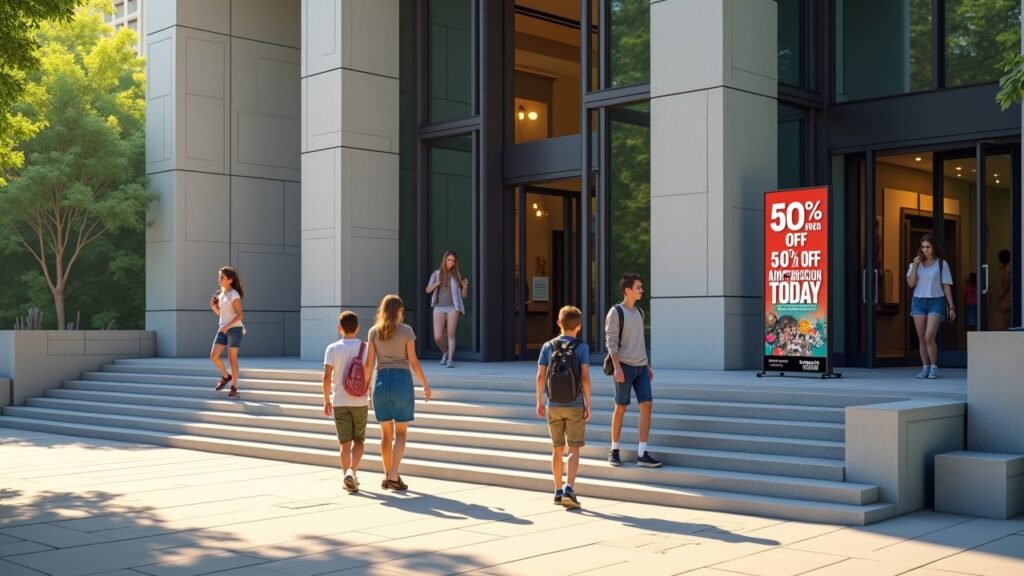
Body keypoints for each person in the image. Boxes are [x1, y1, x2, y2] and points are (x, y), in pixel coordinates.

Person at [364, 294, 431, 490]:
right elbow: (414, 361)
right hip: (401, 381)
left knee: (386, 434)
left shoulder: (373, 332)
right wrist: (425, 384)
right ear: (399, 311)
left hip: (381, 382)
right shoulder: (406, 331)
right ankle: (393, 474)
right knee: (401, 433)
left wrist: (366, 389)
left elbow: (369, 363)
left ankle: (388, 475)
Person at [535, 305, 591, 509]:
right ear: (579, 326)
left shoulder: (547, 346)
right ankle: (569, 489)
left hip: (553, 404)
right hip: (574, 404)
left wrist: (539, 401)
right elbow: (585, 378)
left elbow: (541, 376)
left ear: (558, 323)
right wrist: (588, 404)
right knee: (574, 448)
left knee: (557, 448)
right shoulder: (582, 348)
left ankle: (557, 490)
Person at [605, 272, 661, 468]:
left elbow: (640, 341)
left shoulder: (640, 312)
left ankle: (642, 452)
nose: (642, 290)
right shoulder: (616, 312)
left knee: (647, 405)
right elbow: (611, 343)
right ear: (627, 290)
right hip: (624, 367)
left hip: (641, 367)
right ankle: (614, 450)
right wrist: (618, 367)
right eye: (638, 287)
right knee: (621, 407)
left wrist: (646, 365)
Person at [322, 311, 368, 493]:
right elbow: (370, 373)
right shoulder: (365, 348)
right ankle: (352, 472)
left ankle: (346, 477)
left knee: (344, 444)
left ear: (339, 328)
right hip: (360, 401)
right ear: (357, 328)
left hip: (339, 400)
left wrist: (326, 400)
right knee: (359, 440)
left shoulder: (332, 348)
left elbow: (327, 377)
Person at [906, 235, 955, 379]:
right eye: (923, 247)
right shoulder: (914, 265)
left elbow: (946, 286)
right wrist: (915, 265)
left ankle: (934, 367)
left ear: (933, 248)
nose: (925, 250)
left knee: (929, 337)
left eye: (928, 247)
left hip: (936, 301)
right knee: (921, 337)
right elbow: (911, 283)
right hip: (918, 302)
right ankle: (925, 368)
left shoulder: (941, 264)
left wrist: (951, 307)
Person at [425, 250, 469, 368]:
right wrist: (436, 284)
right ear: (444, 260)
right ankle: (445, 352)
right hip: (439, 307)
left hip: (453, 308)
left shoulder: (457, 275)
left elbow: (463, 296)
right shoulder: (436, 274)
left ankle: (450, 359)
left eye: (453, 261)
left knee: (450, 333)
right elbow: (427, 290)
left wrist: (465, 287)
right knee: (438, 337)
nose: (451, 263)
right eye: (449, 260)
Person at [209, 266, 245, 398]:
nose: (219, 279)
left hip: (235, 329)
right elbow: (221, 314)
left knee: (232, 359)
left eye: (221, 277)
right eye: (219, 277)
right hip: (223, 328)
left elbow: (240, 315)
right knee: (214, 356)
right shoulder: (221, 294)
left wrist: (228, 326)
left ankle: (234, 387)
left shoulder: (234, 294)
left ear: (230, 280)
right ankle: (226, 376)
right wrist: (214, 308)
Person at [992, 249, 1012, 330]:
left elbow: (1006, 285)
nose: (998, 259)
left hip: (1006, 299)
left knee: (1000, 323)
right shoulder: (1010, 268)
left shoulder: (1007, 270)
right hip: (1008, 298)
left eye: (999, 257)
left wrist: (1000, 294)